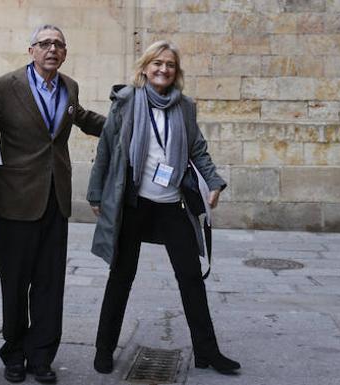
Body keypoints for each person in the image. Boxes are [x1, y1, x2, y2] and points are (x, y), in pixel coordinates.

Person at [87, 40, 241, 376]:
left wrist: (214, 182)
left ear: (176, 71)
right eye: (157, 63)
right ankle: (103, 348)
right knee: (121, 277)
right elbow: (107, 150)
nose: (163, 69)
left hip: (172, 204)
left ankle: (207, 351)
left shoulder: (184, 107)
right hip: (133, 204)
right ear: (144, 68)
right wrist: (96, 194)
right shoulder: (126, 102)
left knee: (190, 277)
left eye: (170, 64)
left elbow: (198, 149)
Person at [0, 25, 105, 384]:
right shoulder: (5, 86)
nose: (52, 48)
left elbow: (80, 117)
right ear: (31, 50)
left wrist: (124, 123)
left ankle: (42, 356)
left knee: (50, 284)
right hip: (16, 200)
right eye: (45, 43)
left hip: (55, 199)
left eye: (59, 44)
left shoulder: (70, 86)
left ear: (64, 53)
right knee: (15, 282)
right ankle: (14, 352)